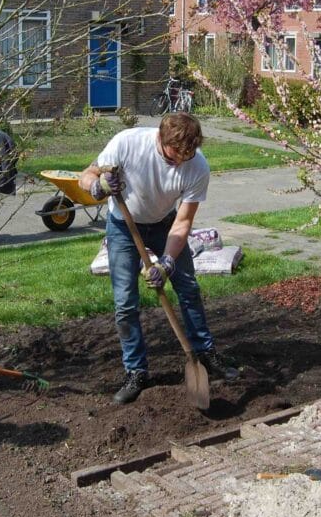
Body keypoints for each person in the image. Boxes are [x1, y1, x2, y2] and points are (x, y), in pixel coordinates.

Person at [80, 112, 238, 405]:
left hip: (165, 223)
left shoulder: (197, 166)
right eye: (173, 155)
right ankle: (136, 371)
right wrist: (98, 187)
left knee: (188, 288)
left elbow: (182, 223)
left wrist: (166, 262)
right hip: (123, 227)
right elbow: (86, 177)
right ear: (160, 139)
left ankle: (204, 353)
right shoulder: (127, 143)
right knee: (125, 302)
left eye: (186, 155)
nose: (179, 161)